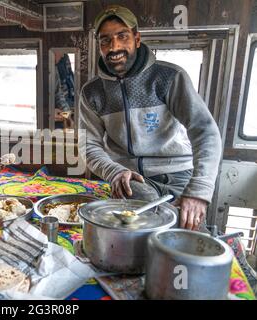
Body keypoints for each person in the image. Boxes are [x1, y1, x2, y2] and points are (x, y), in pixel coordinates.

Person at [78, 5, 222, 231]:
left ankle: (209, 237)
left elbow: (205, 131)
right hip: (131, 180)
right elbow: (89, 145)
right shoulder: (92, 92)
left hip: (179, 174)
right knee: (139, 223)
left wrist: (199, 190)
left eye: (122, 36)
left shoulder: (169, 77)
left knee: (190, 232)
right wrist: (114, 171)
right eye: (105, 40)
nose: (114, 47)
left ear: (137, 39)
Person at [54, 51, 75, 129]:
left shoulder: (64, 58)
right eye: (61, 52)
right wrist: (68, 116)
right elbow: (58, 94)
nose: (62, 55)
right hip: (61, 113)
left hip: (67, 108)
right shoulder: (50, 66)